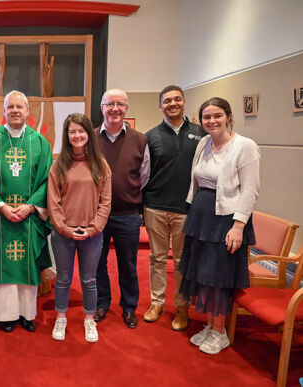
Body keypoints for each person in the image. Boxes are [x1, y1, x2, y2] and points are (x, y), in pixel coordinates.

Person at [179, 97, 260, 354]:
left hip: (226, 219)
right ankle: (210, 325)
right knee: (203, 274)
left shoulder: (245, 146)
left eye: (217, 116)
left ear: (228, 116)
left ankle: (219, 331)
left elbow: (250, 190)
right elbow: (197, 179)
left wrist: (237, 227)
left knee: (218, 277)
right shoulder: (203, 142)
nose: (211, 121)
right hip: (202, 216)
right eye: (206, 117)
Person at [0, 90, 53, 333]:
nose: (15, 111)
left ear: (27, 111)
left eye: (20, 107)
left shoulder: (40, 142)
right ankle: (3, 315)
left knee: (27, 263)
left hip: (28, 216)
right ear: (4, 110)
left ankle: (25, 313)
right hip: (0, 218)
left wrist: (31, 205)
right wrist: (1, 206)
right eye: (10, 107)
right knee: (1, 262)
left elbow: (46, 181)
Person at [142, 85, 206, 331]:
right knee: (157, 259)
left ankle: (181, 307)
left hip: (185, 208)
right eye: (167, 101)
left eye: (177, 99)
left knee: (181, 261)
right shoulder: (151, 136)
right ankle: (157, 303)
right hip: (155, 207)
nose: (172, 104)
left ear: (184, 103)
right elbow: (145, 173)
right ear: (160, 106)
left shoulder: (201, 134)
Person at [47, 113, 112, 343]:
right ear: (67, 135)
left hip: (91, 234)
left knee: (89, 280)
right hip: (63, 234)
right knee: (64, 279)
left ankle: (88, 319)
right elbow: (53, 202)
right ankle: (61, 317)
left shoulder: (99, 164)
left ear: (88, 134)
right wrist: (64, 228)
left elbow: (105, 201)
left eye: (81, 131)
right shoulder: (59, 165)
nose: (77, 135)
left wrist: (94, 228)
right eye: (72, 131)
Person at [93, 89, 150, 329]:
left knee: (128, 263)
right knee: (98, 262)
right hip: (97, 215)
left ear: (127, 108)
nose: (115, 109)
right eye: (110, 104)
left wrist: (129, 193)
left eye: (120, 104)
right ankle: (102, 302)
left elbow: (144, 175)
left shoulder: (140, 139)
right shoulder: (90, 137)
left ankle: (129, 307)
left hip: (127, 214)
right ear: (102, 107)